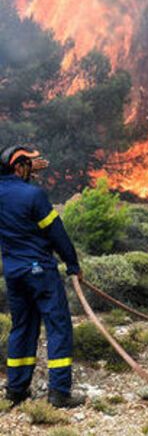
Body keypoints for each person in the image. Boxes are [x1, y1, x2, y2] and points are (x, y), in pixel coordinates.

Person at [0, 145, 85, 408]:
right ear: (18, 167)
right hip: (40, 271)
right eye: (28, 167)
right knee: (58, 326)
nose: (32, 173)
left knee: (22, 327)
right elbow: (56, 232)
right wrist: (72, 264)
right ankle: (59, 392)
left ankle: (16, 390)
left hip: (13, 273)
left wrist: (20, 170)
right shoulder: (33, 195)